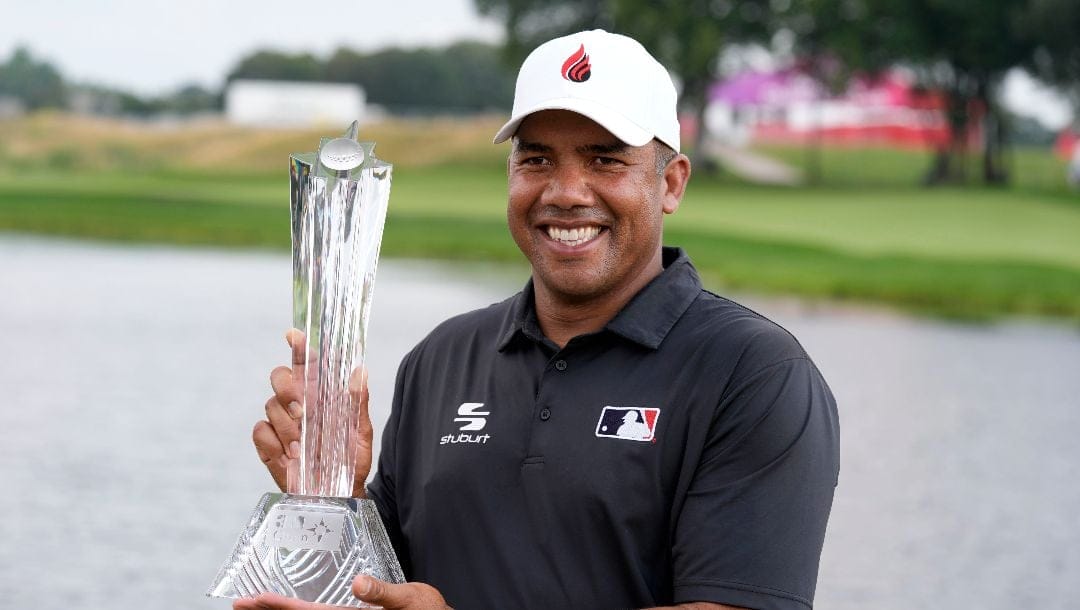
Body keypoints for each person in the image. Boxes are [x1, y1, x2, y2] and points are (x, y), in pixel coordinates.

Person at [244, 29, 839, 610]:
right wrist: (335, 503)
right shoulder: (442, 358)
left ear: (672, 183)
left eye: (604, 160)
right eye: (537, 159)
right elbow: (382, 587)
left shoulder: (754, 372)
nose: (566, 192)